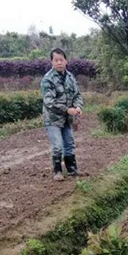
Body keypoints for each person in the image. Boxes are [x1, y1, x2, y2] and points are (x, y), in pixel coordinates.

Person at [41, 48, 85, 181]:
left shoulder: (70, 77)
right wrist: (66, 109)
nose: (59, 63)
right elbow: (49, 102)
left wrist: (78, 106)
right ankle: (57, 171)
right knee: (58, 145)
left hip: (67, 118)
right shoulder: (47, 79)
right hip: (53, 119)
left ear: (66, 61)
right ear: (52, 62)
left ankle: (72, 169)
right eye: (56, 60)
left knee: (69, 143)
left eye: (61, 60)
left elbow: (77, 95)